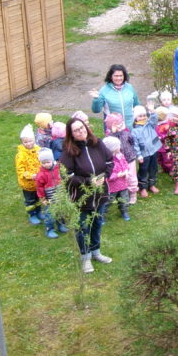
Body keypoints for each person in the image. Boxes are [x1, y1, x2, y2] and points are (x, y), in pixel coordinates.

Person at [60, 117, 114, 274]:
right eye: (76, 130)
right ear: (71, 134)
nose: (80, 132)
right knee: (83, 227)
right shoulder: (69, 152)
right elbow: (67, 176)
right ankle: (85, 257)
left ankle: (96, 252)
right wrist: (89, 182)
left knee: (97, 223)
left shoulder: (97, 143)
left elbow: (110, 161)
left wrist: (104, 176)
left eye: (82, 128)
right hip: (82, 197)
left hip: (100, 194)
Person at [103, 135, 137, 221]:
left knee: (124, 199)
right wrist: (118, 175)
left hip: (123, 184)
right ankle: (102, 215)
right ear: (111, 149)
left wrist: (126, 170)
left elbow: (125, 163)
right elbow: (107, 175)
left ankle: (124, 211)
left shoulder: (120, 155)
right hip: (112, 187)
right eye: (117, 146)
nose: (120, 147)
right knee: (108, 201)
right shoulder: (106, 161)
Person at [15, 124, 42, 225]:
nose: (28, 143)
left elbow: (42, 162)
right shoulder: (21, 155)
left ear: (34, 140)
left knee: (39, 197)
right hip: (28, 184)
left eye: (30, 141)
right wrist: (31, 176)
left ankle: (39, 211)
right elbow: (20, 170)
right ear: (22, 142)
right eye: (25, 142)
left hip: (39, 181)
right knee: (30, 200)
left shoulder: (38, 150)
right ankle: (32, 214)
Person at [132, 105, 161, 198]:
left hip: (153, 150)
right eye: (140, 116)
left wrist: (152, 112)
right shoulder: (134, 131)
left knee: (153, 168)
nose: (143, 117)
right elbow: (135, 145)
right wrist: (139, 155)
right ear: (135, 118)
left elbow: (154, 119)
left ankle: (151, 184)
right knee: (143, 170)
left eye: (144, 115)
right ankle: (143, 187)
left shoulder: (149, 124)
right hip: (144, 154)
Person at [34, 148, 64, 238]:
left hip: (60, 195)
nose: (46, 164)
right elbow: (39, 187)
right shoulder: (41, 174)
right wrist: (42, 198)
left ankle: (61, 225)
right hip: (49, 198)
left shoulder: (58, 168)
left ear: (52, 160)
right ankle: (49, 229)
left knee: (61, 212)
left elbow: (63, 177)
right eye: (43, 163)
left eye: (48, 162)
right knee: (50, 214)